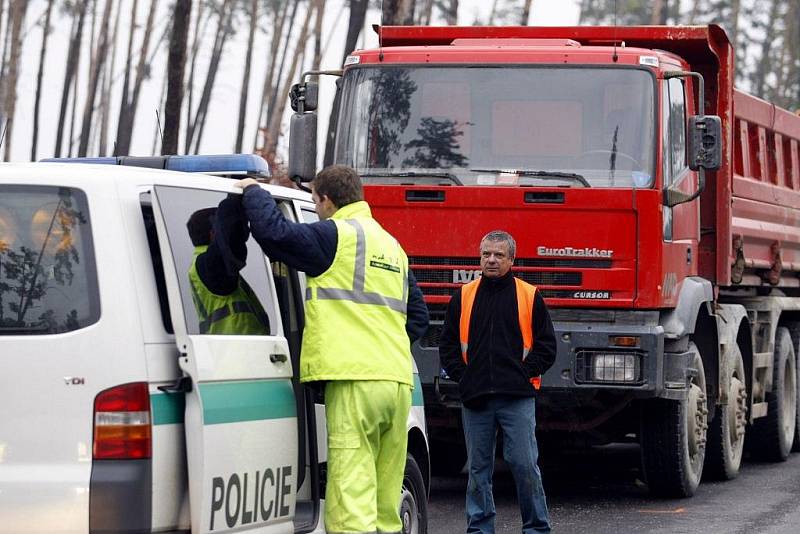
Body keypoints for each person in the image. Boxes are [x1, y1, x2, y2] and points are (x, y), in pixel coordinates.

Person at [233, 164, 429, 534]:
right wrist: (383, 346)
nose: (316, 208)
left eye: (315, 201)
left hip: (356, 382)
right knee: (385, 504)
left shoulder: (336, 235)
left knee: (351, 498)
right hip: (398, 382)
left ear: (326, 199)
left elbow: (275, 236)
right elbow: (418, 316)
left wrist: (254, 191)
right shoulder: (390, 245)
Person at [439, 230, 556, 534]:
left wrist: (522, 373)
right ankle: (479, 529)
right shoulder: (463, 296)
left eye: (498, 255)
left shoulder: (529, 296)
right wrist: (465, 378)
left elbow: (547, 347)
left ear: (511, 259)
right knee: (478, 471)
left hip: (517, 396)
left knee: (524, 464)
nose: (491, 260)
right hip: (476, 398)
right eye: (485, 254)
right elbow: (448, 345)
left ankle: (537, 528)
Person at [186, 200, 270, 335]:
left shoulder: (203, 265)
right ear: (213, 234)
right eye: (219, 227)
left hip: (236, 346)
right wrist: (232, 200)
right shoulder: (208, 264)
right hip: (236, 346)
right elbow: (229, 239)